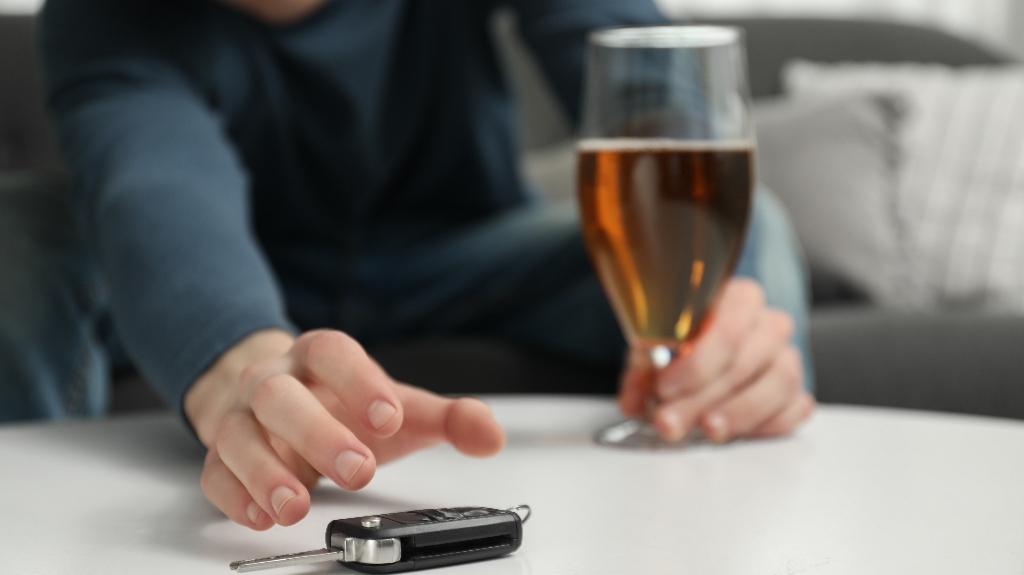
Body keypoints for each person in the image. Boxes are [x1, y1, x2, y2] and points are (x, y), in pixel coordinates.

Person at [0, 0, 813, 530]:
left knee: (754, 238)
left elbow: (657, 103)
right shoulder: (99, 17)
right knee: (18, 232)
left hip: (464, 260)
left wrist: (723, 291)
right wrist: (245, 369)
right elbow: (156, 187)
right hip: (243, 278)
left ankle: (727, 441)